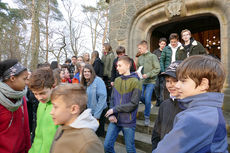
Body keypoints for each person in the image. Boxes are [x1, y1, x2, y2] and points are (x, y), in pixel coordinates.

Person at [152, 55, 228, 153]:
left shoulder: (196, 118)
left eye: (183, 81)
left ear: (203, 84)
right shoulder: (210, 110)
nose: (177, 85)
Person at [49, 84, 104, 153]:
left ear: (74, 109)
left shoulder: (89, 142)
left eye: (55, 107)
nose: (51, 112)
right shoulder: (62, 127)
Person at [104, 56, 142, 153]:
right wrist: (112, 114)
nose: (117, 68)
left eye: (120, 65)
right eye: (117, 66)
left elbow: (133, 104)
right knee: (107, 145)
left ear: (128, 65)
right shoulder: (117, 80)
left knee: (130, 149)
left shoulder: (136, 82)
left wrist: (114, 109)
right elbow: (112, 99)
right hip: (115, 120)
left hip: (128, 121)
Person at [0, 59, 31, 153]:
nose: (27, 83)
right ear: (12, 78)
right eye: (24, 79)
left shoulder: (21, 99)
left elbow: (26, 129)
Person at [151, 61, 183, 150]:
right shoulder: (164, 105)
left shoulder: (190, 107)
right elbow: (156, 134)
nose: (170, 85)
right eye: (167, 81)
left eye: (175, 81)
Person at [28, 68, 58, 153]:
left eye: (42, 93)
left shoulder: (62, 106)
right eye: (35, 94)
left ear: (53, 86)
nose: (39, 97)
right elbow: (38, 135)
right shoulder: (41, 104)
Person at [137, 40, 160, 126]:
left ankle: (147, 117)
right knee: (140, 96)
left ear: (145, 47)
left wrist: (149, 74)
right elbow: (139, 68)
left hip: (151, 81)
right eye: (138, 48)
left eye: (140, 48)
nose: (139, 50)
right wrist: (138, 72)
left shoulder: (153, 56)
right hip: (142, 81)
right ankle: (149, 104)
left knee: (147, 98)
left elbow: (158, 69)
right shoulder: (140, 58)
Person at [81, 64, 107, 136]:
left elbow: (102, 98)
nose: (86, 73)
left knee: (97, 135)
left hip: (99, 112)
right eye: (85, 71)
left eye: (88, 71)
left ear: (92, 72)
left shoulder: (98, 81)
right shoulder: (84, 82)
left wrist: (96, 115)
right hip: (89, 112)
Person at [153, 38, 167, 106]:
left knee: (162, 87)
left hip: (163, 73)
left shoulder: (167, 52)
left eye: (164, 44)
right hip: (156, 73)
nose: (163, 45)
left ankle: (161, 101)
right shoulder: (155, 52)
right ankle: (158, 99)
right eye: (162, 44)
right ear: (159, 44)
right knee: (156, 87)